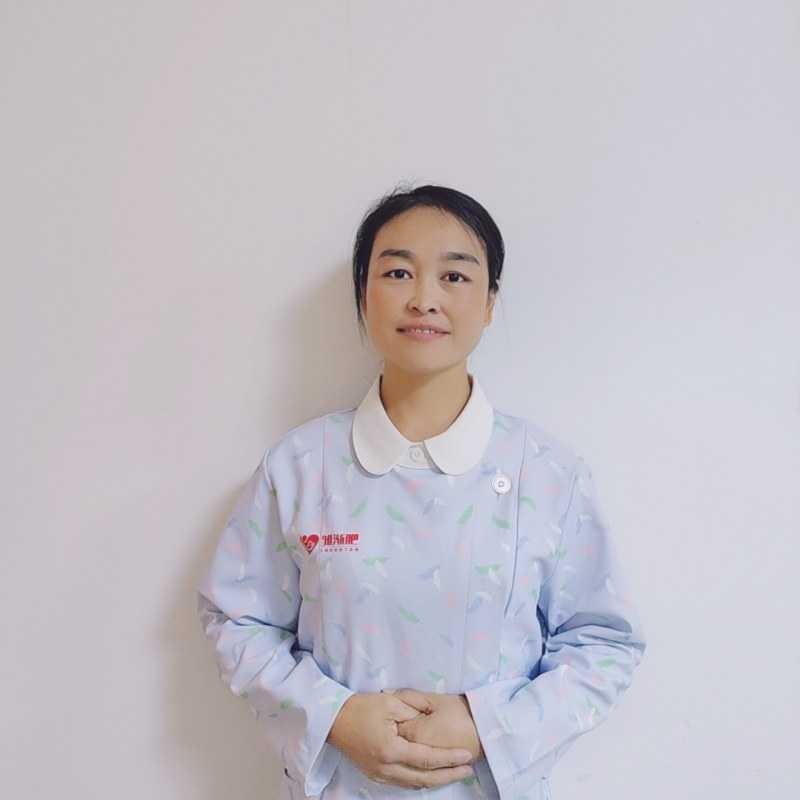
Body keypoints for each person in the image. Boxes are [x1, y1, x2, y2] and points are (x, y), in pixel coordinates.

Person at [195, 183, 647, 800]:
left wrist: (488, 727)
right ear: (364, 294)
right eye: (398, 272)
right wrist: (335, 716)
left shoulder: (548, 473)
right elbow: (236, 617)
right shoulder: (300, 466)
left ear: (490, 303)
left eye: (454, 276)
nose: (424, 299)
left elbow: (604, 642)